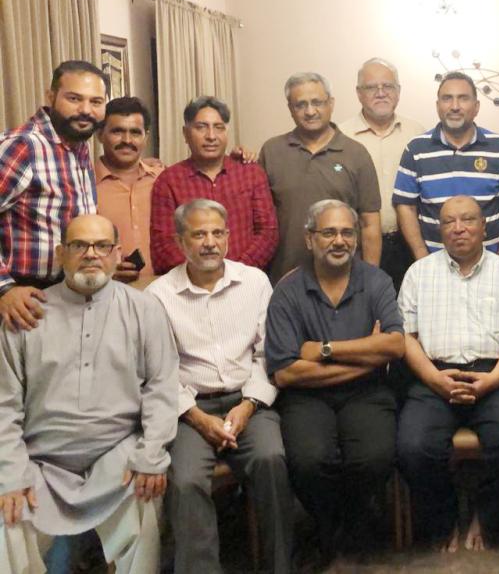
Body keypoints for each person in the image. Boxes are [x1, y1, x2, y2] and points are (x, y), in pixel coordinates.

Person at [0, 214, 178, 573]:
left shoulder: (145, 309)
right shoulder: (27, 314)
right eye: (79, 246)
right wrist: (10, 474)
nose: (91, 254)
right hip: (40, 460)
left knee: (146, 494)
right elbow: (4, 404)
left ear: (116, 254)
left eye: (101, 246)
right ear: (61, 254)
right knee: (8, 515)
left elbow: (162, 389)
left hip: (118, 457)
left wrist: (151, 454)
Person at [147, 200, 293, 574]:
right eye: (198, 234)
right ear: (181, 242)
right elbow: (159, 371)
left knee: (271, 460)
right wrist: (196, 418)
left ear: (228, 237)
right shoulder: (158, 295)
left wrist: (247, 406)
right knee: (185, 480)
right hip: (189, 408)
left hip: (250, 403)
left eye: (217, 233)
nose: (209, 242)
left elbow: (268, 356)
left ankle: (279, 567)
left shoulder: (255, 282)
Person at [396, 196, 499, 552]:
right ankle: (444, 521)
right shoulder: (419, 273)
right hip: (433, 378)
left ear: (485, 226)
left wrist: (493, 379)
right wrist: (434, 379)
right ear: (439, 229)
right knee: (412, 448)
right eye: (449, 222)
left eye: (467, 220)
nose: (458, 228)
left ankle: (486, 518)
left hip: (494, 378)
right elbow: (404, 338)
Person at [265, 200, 404, 560]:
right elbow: (286, 371)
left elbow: (394, 344)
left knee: (374, 457)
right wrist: (365, 356)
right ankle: (329, 526)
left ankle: (350, 523)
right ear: (310, 239)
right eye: (328, 232)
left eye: (347, 232)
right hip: (306, 397)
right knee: (309, 461)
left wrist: (324, 350)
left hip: (367, 394)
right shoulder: (288, 290)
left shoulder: (377, 281)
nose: (339, 240)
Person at [0, 61, 109, 330]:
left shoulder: (79, 146)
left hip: (66, 293)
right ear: (50, 97)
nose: (85, 110)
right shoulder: (24, 146)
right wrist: (4, 289)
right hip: (22, 299)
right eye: (74, 99)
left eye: (96, 101)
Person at [392, 72, 499, 260]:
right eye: (447, 98)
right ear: (438, 105)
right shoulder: (415, 150)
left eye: (463, 98)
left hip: (489, 263)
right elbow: (405, 207)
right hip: (434, 264)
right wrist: (421, 255)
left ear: (476, 107)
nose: (455, 106)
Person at [260, 73, 382, 282]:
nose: (310, 111)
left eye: (317, 102)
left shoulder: (356, 154)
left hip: (345, 280)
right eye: (300, 105)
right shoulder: (272, 151)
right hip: (284, 279)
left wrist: (369, 280)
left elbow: (370, 223)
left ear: (331, 104)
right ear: (290, 108)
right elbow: (259, 219)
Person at [150, 96, 278, 275]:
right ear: (185, 134)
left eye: (218, 128)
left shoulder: (251, 173)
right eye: (201, 127)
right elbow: (163, 246)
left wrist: (234, 273)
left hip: (245, 281)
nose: (211, 136)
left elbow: (267, 233)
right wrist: (202, 275)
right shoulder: (168, 181)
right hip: (190, 288)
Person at [340, 59, 425, 290]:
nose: (381, 93)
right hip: (357, 247)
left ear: (398, 92)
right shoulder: (340, 136)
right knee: (365, 313)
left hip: (409, 245)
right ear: (359, 93)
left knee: (410, 316)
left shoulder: (419, 134)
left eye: (388, 86)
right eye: (371, 87)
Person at [95, 97, 164, 283]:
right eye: (117, 131)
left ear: (146, 136)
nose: (127, 140)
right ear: (100, 134)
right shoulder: (83, 185)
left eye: (135, 132)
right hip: (107, 296)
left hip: (165, 294)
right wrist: (103, 270)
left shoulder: (164, 180)